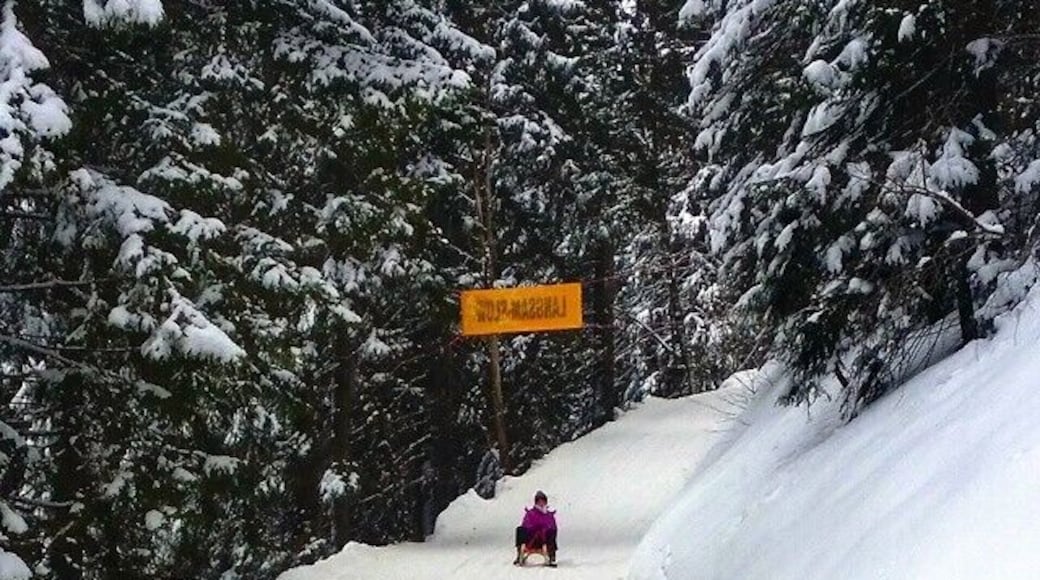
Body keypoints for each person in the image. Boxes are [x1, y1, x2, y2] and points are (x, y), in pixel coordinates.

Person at [514, 490, 557, 566]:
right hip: (531, 538)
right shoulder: (530, 513)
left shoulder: (549, 515)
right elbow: (525, 524)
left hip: (544, 540)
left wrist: (544, 529)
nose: (541, 503)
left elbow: (553, 526)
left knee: (552, 532)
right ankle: (519, 554)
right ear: (536, 502)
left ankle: (551, 555)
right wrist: (534, 528)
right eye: (539, 501)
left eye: (543, 501)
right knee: (520, 529)